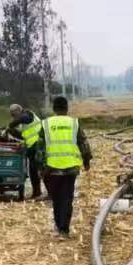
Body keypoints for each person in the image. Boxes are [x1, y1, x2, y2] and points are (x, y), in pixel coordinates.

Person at [37, 94, 91, 236]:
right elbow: (84, 144)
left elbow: (39, 147)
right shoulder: (74, 123)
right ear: (67, 108)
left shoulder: (46, 124)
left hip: (51, 169)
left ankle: (58, 225)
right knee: (67, 198)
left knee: (56, 199)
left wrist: (40, 168)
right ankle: (64, 228)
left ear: (54, 108)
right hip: (70, 169)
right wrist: (86, 161)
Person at [4, 102, 44, 201]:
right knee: (33, 171)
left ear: (18, 110)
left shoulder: (28, 114)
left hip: (38, 145)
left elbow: (23, 118)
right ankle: (37, 192)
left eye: (14, 114)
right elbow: (23, 136)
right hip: (32, 146)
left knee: (39, 170)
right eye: (12, 115)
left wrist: (11, 125)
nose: (13, 117)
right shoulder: (23, 123)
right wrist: (11, 132)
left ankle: (45, 193)